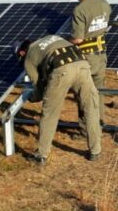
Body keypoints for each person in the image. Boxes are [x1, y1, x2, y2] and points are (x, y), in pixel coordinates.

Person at [14, 35, 101, 165]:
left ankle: (41, 156)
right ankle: (95, 151)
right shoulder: (51, 37)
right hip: (83, 64)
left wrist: (33, 98)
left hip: (61, 70)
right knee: (91, 108)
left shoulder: (28, 57)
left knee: (50, 114)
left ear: (21, 52)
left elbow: (38, 85)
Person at [68, 0, 111, 124]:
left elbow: (78, 39)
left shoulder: (80, 10)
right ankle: (100, 122)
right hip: (101, 55)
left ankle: (85, 129)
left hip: (87, 57)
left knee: (84, 93)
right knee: (99, 91)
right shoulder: (104, 3)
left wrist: (65, 42)